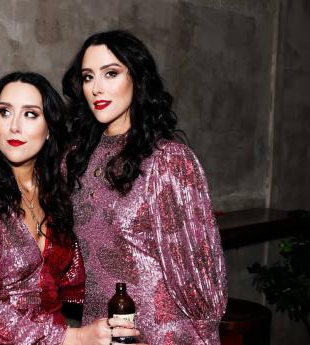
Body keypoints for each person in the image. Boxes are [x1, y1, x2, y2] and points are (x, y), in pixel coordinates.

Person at [0, 71, 140, 345]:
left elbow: (72, 276)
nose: (14, 127)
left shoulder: (55, 193)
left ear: (48, 130)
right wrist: (72, 338)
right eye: (4, 112)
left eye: (30, 114)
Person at [61, 30, 227, 344]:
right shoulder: (75, 159)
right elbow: (31, 205)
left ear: (136, 78)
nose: (97, 88)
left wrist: (206, 337)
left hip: (164, 333)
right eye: (87, 77)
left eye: (111, 73)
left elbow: (200, 271)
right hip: (99, 330)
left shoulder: (168, 160)